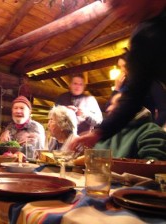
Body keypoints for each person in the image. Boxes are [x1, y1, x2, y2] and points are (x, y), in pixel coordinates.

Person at [70, 4, 166, 150]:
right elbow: (133, 97)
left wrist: (157, 128)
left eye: (119, 3)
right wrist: (98, 133)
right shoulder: (142, 37)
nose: (118, 14)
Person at [95, 93, 166, 160]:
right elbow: (95, 158)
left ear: (128, 107)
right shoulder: (109, 132)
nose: (108, 109)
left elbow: (153, 166)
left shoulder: (150, 131)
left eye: (114, 104)